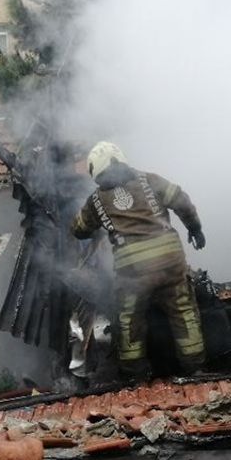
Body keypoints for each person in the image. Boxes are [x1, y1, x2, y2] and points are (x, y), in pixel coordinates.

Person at [71, 141, 207, 380]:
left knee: (129, 321)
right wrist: (195, 228)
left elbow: (79, 228)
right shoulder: (150, 180)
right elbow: (180, 200)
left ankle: (136, 376)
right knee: (184, 313)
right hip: (170, 262)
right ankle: (195, 369)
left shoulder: (96, 200)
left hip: (134, 273)